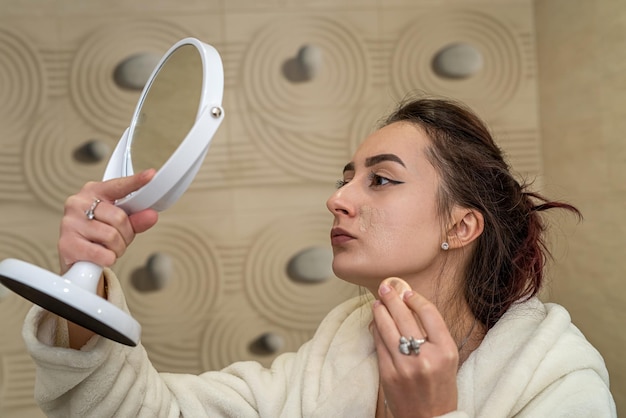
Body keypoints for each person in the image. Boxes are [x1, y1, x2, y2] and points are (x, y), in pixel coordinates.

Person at [23, 97, 616, 417]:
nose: (337, 199)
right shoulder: (340, 346)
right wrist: (86, 293)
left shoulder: (554, 376)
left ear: (461, 226)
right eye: (346, 178)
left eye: (380, 181)